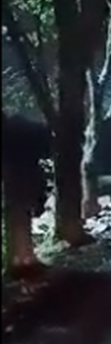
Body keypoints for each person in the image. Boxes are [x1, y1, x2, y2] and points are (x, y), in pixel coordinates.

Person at [2, 112, 50, 276]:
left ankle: (21, 259)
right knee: (24, 217)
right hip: (29, 177)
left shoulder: (9, 132)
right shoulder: (28, 130)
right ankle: (26, 257)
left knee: (17, 217)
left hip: (13, 180)